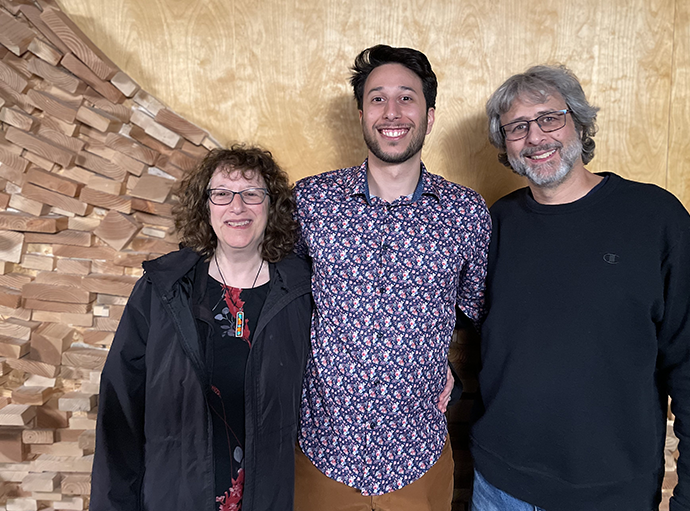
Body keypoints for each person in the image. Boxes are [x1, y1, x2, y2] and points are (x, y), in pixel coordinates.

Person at [471, 65, 690, 511]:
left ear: (579, 122)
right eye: (517, 127)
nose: (535, 138)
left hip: (610, 494)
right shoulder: (497, 222)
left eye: (550, 118)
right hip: (498, 486)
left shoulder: (655, 218)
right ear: (505, 144)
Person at [293, 45, 491, 511]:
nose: (392, 112)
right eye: (377, 98)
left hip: (417, 458)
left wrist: (454, 376)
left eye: (407, 97)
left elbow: (487, 316)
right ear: (360, 113)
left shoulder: (465, 214)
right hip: (324, 453)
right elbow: (281, 306)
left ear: (430, 114)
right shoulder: (311, 201)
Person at [90, 145, 312, 511]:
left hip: (272, 497)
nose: (236, 207)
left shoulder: (301, 291)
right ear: (205, 206)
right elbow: (121, 410)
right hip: (173, 497)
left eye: (251, 194)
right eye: (222, 194)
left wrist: (437, 377)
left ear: (271, 206)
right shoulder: (163, 288)